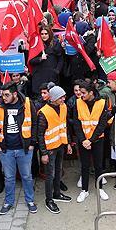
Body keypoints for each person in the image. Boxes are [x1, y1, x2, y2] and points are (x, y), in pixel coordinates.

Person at [0, 81, 37, 215]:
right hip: (6, 150)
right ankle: (8, 202)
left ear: (15, 94)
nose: (3, 98)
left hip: (24, 148)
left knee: (27, 176)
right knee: (9, 178)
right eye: (2, 95)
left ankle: (30, 200)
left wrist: (32, 143)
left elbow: (34, 123)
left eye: (6, 95)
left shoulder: (27, 103)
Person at [70, 83, 112, 203]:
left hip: (97, 140)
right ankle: (84, 190)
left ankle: (100, 189)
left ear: (91, 93)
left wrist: (90, 140)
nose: (80, 95)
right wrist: (83, 140)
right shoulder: (78, 103)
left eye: (83, 93)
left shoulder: (102, 103)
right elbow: (76, 123)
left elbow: (102, 124)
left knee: (98, 165)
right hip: (83, 141)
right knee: (84, 165)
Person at [36, 85, 70, 213]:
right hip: (49, 149)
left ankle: (57, 193)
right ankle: (49, 200)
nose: (63, 99)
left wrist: (68, 144)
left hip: (60, 145)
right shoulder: (43, 112)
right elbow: (39, 135)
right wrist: (43, 153)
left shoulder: (63, 107)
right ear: (54, 98)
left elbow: (64, 126)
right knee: (50, 175)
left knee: (58, 171)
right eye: (61, 97)